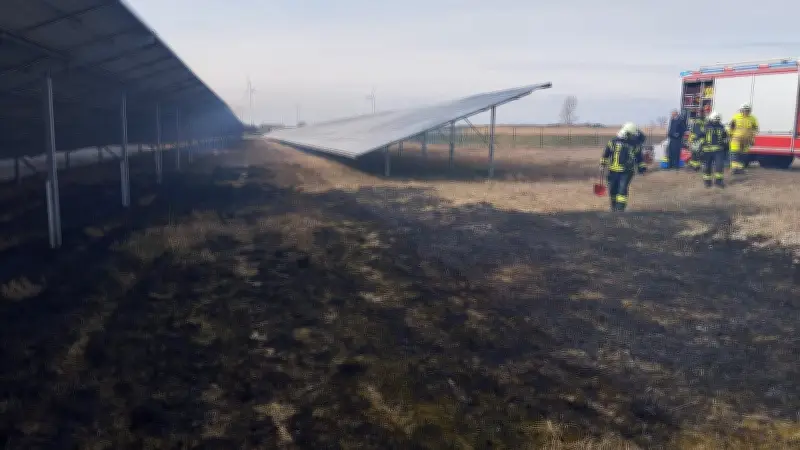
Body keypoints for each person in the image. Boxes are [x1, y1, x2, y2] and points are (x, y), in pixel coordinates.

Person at [600, 123, 647, 212]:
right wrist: (602, 164)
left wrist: (642, 169)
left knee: (622, 189)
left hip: (627, 171)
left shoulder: (635, 144)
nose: (633, 136)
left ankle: (620, 209)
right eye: (632, 134)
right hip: (613, 171)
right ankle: (613, 207)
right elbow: (606, 154)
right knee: (613, 189)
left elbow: (639, 158)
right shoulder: (613, 142)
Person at [698, 111, 728, 188]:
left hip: (718, 151)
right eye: (715, 119)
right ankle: (707, 182)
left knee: (719, 166)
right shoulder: (705, 126)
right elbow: (701, 136)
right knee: (707, 167)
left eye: (718, 119)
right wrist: (702, 144)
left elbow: (725, 137)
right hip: (707, 151)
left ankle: (718, 181)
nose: (717, 121)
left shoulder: (721, 127)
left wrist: (725, 144)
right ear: (711, 118)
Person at [728, 103, 759, 174]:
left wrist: (752, 138)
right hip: (736, 139)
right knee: (735, 153)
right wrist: (730, 136)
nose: (746, 112)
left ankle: (740, 169)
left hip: (746, 140)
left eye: (747, 110)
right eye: (744, 110)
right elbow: (731, 127)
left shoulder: (753, 118)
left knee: (744, 154)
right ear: (741, 110)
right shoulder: (735, 117)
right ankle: (734, 169)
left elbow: (755, 128)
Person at [686, 105, 710, 171]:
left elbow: (700, 131)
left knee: (697, 153)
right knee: (694, 153)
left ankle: (696, 166)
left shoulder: (701, 120)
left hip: (698, 139)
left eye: (700, 112)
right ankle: (694, 165)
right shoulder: (698, 119)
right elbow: (692, 129)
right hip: (696, 139)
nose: (699, 113)